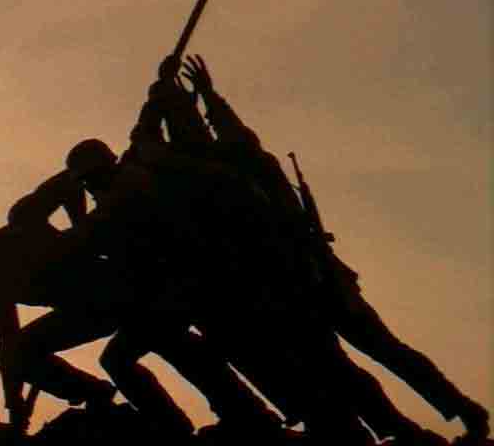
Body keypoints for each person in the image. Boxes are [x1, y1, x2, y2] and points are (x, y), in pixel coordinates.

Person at [178, 53, 490, 444]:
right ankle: (407, 426)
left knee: (382, 353)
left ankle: (457, 413)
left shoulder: (238, 169)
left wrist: (199, 100)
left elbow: (219, 141)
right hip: (296, 289)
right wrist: (193, 100)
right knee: (353, 366)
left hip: (315, 279)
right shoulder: (230, 171)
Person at [66, 136, 381, 445]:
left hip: (192, 286)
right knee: (219, 351)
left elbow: (95, 233)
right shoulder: (130, 184)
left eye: (88, 180)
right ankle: (256, 415)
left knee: (234, 354)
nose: (88, 187)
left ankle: (260, 417)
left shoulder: (130, 188)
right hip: (187, 288)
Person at [0, 168, 275, 438]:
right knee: (124, 355)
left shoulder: (24, 220)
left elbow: (70, 181)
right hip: (89, 312)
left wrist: (81, 231)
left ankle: (241, 414)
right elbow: (10, 344)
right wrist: (14, 403)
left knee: (156, 347)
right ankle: (109, 400)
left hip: (121, 288)